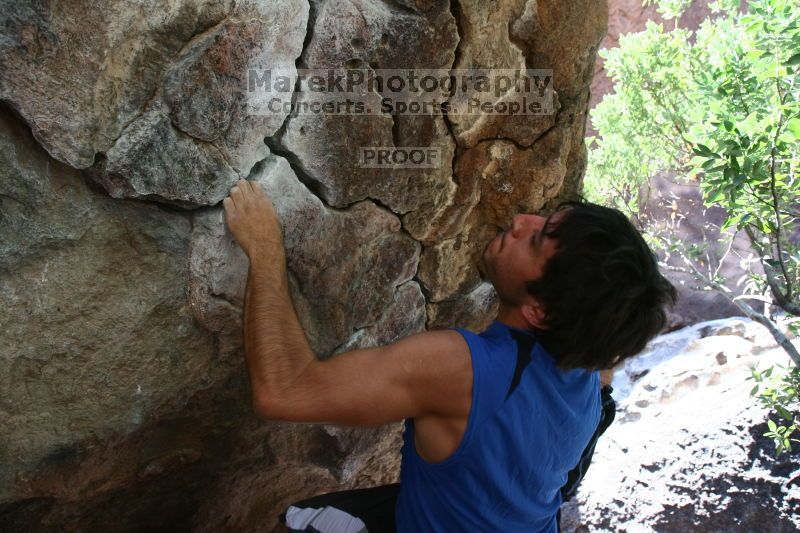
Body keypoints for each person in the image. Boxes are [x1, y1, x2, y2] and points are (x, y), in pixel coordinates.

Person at [222, 179, 678, 533]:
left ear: (539, 310)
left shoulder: (461, 369)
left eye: (536, 241)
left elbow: (284, 392)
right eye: (542, 222)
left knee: (300, 521)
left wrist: (264, 250)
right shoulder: (588, 372)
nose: (521, 220)